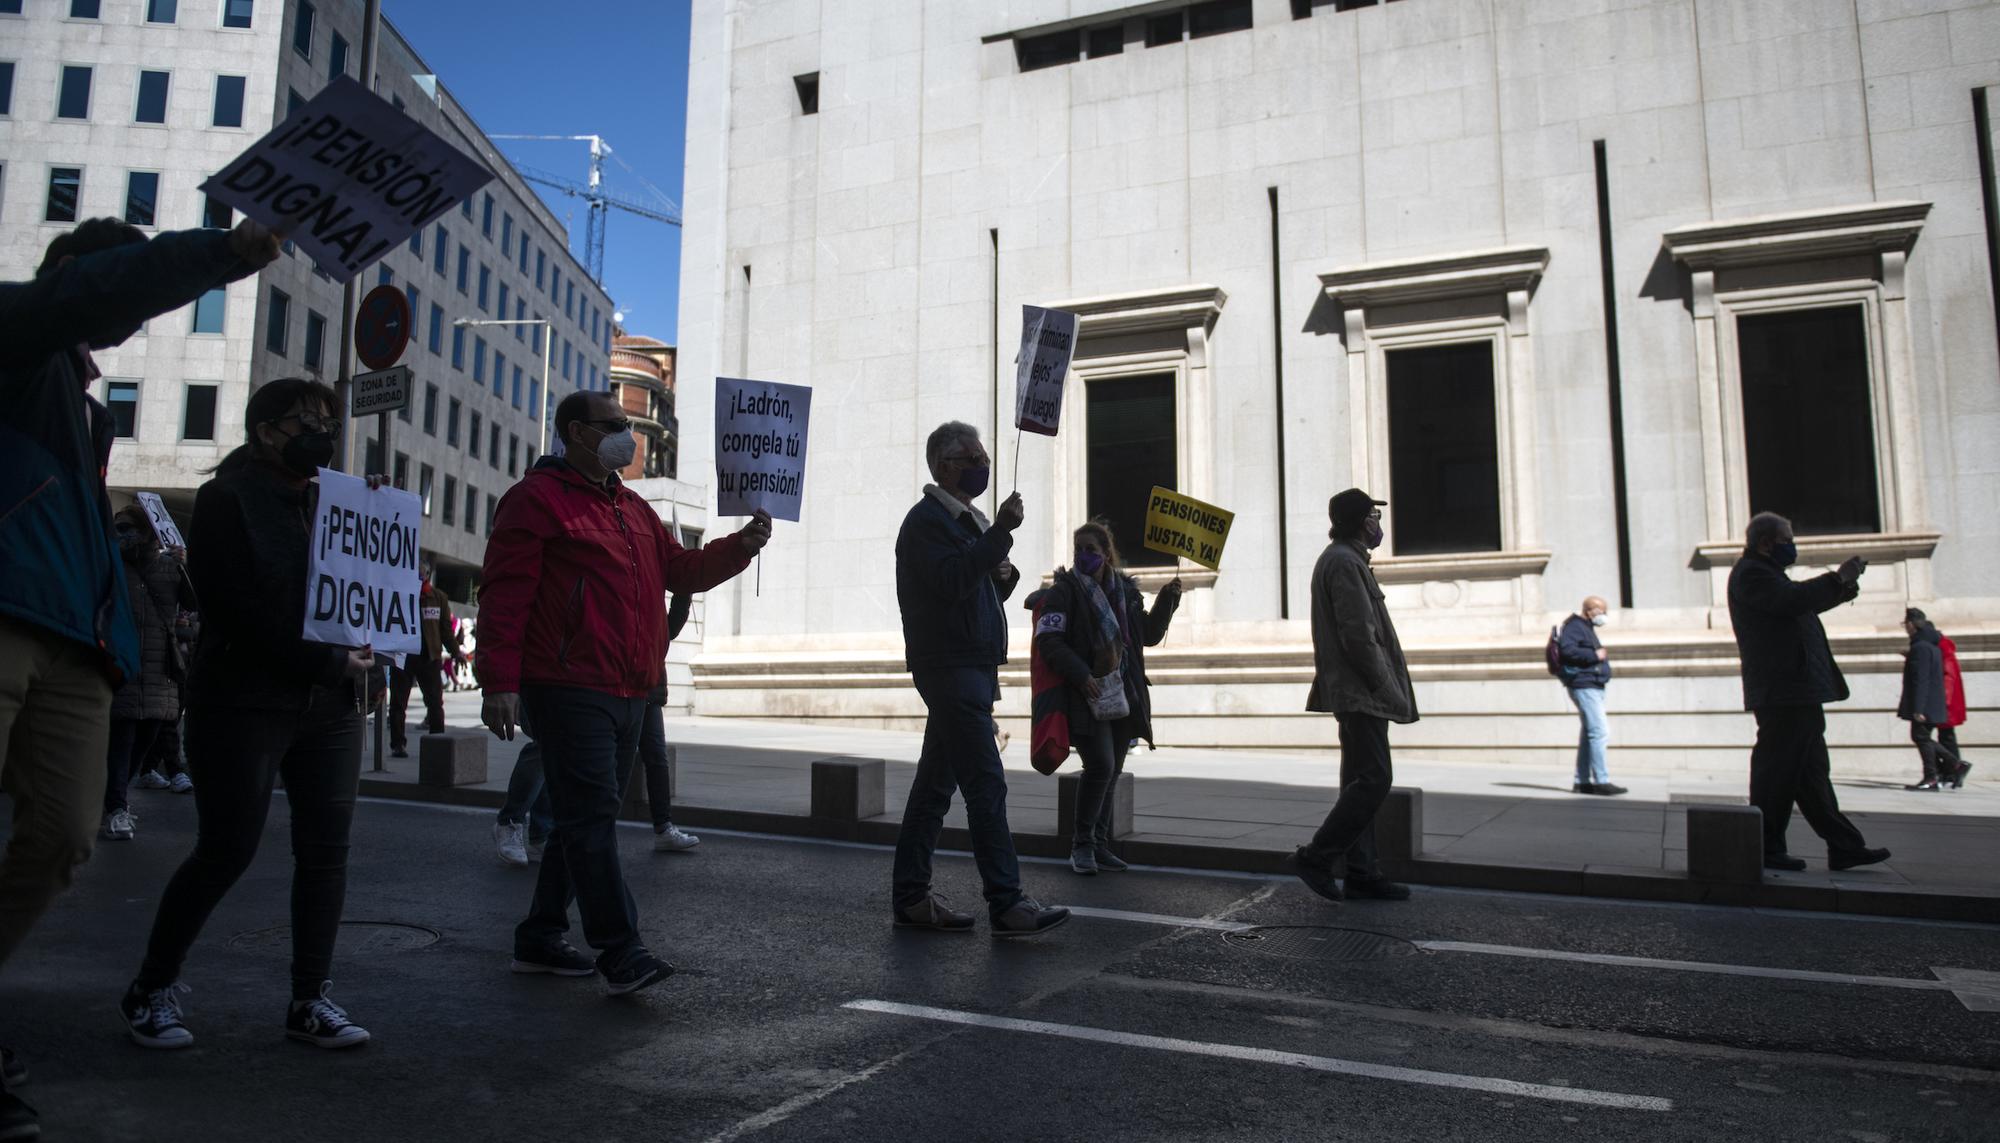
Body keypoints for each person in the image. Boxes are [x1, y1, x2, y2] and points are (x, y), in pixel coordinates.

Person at [1, 216, 279, 1136]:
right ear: (80, 275)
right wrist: (224, 252)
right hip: (8, 613)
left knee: (64, 834)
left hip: (78, 642)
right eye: (116, 283)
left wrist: (113, 630)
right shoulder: (19, 332)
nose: (125, 318)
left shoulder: (90, 404)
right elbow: (91, 294)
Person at [478, 391, 767, 995]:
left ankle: (539, 937)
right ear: (578, 433)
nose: (628, 436)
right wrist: (499, 682)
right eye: (616, 426)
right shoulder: (535, 501)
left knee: (583, 818)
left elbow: (680, 571)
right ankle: (620, 949)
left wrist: (738, 547)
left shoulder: (633, 507)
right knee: (589, 818)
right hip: (567, 684)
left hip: (632, 686)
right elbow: (505, 596)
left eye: (628, 426)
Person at [890, 421, 1067, 937]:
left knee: (934, 788)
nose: (982, 463)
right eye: (971, 456)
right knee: (986, 783)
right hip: (950, 666)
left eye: (983, 454)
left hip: (971, 665)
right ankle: (1008, 903)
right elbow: (949, 582)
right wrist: (1000, 534)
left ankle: (911, 897)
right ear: (945, 466)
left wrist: (1002, 577)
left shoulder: (966, 522)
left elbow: (973, 588)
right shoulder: (926, 522)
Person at [1726, 512, 1889, 873]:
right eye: (1788, 538)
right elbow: (1794, 600)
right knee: (1779, 771)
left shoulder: (1767, 574)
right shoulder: (1753, 574)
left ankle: (1844, 845)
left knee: (1810, 772)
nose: (1793, 544)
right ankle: (1766, 845)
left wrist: (1844, 586)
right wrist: (1837, 578)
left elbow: (1800, 601)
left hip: (1795, 687)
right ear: (1768, 543)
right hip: (1784, 689)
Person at [493, 593, 698, 865]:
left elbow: (664, 630)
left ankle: (552, 836)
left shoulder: (644, 577)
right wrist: (499, 683)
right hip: (580, 675)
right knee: (550, 750)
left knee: (608, 768)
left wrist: (684, 595)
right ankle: (518, 823)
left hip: (633, 685)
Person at [1027, 520, 1181, 874]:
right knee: (1101, 765)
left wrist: (1168, 601)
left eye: (1090, 550)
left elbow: (1148, 635)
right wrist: (1081, 674)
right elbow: (1049, 641)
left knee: (1113, 770)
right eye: (1078, 549)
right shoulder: (1064, 591)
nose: (1082, 556)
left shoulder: (1125, 591)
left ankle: (1099, 843)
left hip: (1122, 691)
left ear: (1106, 554)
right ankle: (1081, 845)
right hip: (1085, 693)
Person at [1293, 489, 1416, 904]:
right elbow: (1359, 636)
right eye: (1373, 516)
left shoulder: (1347, 560)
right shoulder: (1344, 562)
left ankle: (1362, 871)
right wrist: (1387, 688)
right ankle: (1317, 856)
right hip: (1361, 692)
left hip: (1357, 691)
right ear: (1363, 521)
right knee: (1375, 779)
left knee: (1358, 781)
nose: (1378, 523)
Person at [101, 506, 195, 840]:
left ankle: (113, 800)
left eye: (132, 529)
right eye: (120, 528)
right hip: (122, 664)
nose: (127, 535)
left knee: (147, 737)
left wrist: (185, 565)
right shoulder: (109, 563)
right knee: (122, 739)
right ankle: (115, 806)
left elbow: (194, 601)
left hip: (159, 667)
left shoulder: (169, 565)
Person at [1557, 596, 1626, 797]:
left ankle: (1582, 781)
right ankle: (1601, 781)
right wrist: (1595, 656)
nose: (1604, 616)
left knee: (1590, 734)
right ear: (1591, 610)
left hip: (1591, 684)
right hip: (1584, 684)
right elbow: (1567, 650)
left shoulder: (1584, 627)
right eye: (1602, 611)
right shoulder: (1574, 626)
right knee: (1600, 732)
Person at [388, 563, 457, 758]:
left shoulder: (438, 598)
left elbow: (446, 630)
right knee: (398, 703)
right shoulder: (400, 593)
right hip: (403, 655)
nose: (418, 576)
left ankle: (437, 742)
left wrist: (456, 652)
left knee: (435, 702)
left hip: (429, 656)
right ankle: (398, 744)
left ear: (427, 575)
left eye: (422, 573)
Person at [1897, 618, 1966, 791]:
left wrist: (1944, 704)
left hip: (1940, 702)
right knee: (1927, 738)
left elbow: (1945, 678)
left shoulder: (1935, 648)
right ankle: (1948, 770)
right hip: (1938, 702)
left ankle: (1949, 770)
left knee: (1934, 738)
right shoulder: (1932, 647)